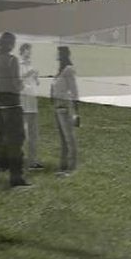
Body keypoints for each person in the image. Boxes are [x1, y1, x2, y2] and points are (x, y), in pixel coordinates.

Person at [0, 32, 30, 189]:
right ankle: (16, 179)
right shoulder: (13, 60)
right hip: (12, 107)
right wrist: (23, 83)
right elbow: (15, 84)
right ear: (11, 44)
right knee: (16, 143)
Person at [52, 46, 80, 177]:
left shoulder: (69, 70)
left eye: (58, 52)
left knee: (69, 139)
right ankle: (63, 168)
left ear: (62, 54)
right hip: (58, 107)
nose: (56, 54)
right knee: (63, 139)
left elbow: (74, 92)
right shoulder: (60, 70)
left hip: (65, 107)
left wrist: (76, 112)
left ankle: (71, 169)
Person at [20, 44, 42, 170]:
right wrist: (29, 73)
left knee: (34, 134)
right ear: (22, 52)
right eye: (27, 51)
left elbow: (36, 83)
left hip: (33, 102)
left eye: (30, 51)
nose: (29, 54)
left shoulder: (31, 65)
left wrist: (36, 77)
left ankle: (33, 161)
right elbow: (17, 81)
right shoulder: (18, 65)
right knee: (24, 133)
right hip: (23, 102)